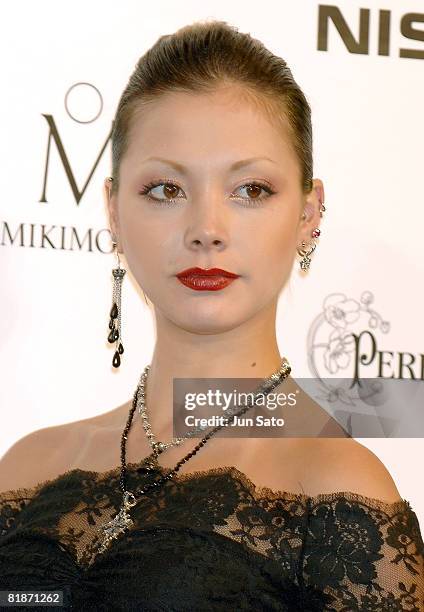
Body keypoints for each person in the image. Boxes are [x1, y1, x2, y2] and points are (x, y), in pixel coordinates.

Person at [1, 19, 423, 612]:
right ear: (114, 211)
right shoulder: (25, 469)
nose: (205, 230)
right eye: (166, 190)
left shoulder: (337, 490)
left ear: (308, 213)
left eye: (250, 190)